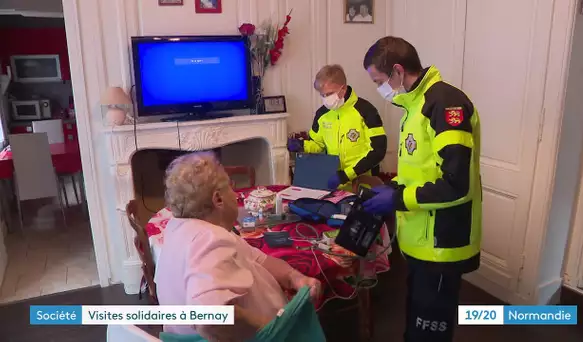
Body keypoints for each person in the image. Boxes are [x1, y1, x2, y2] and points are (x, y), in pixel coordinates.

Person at [361, 36, 482, 341]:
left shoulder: (444, 104)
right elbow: (422, 171)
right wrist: (390, 188)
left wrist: (397, 198)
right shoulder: (413, 107)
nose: (380, 89)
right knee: (417, 321)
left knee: (430, 329)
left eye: (378, 80)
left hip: (441, 241)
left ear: (397, 71)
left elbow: (456, 185)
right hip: (419, 238)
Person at [155, 152, 321, 341]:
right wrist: (268, 330)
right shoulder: (208, 239)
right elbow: (209, 318)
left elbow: (261, 260)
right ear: (218, 199)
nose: (234, 194)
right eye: (231, 187)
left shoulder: (179, 230)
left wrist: (294, 277)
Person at [287, 64, 387, 191]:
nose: (326, 99)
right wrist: (302, 145)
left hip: (362, 184)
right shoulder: (322, 114)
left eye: (329, 94)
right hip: (333, 186)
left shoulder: (366, 110)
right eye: (322, 95)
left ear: (343, 88)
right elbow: (318, 145)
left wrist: (346, 175)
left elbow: (377, 151)